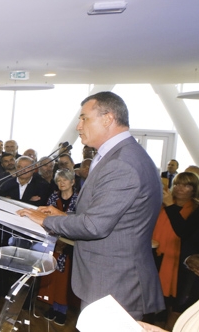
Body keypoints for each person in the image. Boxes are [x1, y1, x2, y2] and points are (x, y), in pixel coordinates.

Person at [18, 91, 165, 320]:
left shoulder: (121, 163)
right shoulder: (118, 155)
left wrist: (46, 220)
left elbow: (95, 226)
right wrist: (64, 215)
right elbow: (106, 214)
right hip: (110, 277)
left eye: (84, 118)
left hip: (116, 281)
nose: (78, 126)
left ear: (107, 119)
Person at [38, 168, 80, 326]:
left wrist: (64, 242)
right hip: (53, 242)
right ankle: (53, 306)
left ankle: (62, 310)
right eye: (59, 180)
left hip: (71, 246)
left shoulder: (79, 198)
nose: (61, 183)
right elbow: (46, 218)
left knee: (65, 280)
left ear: (72, 182)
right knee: (52, 276)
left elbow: (80, 223)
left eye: (65, 180)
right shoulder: (54, 196)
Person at [160, 172, 199, 313]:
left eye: (186, 185)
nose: (180, 188)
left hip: (181, 261)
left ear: (194, 189)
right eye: (177, 184)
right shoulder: (161, 204)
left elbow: (183, 232)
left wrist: (170, 205)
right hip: (159, 254)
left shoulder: (196, 209)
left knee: (176, 307)